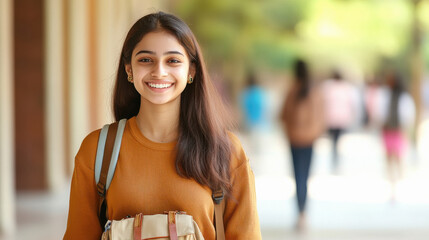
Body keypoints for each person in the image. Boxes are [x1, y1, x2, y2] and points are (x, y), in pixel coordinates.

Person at [63, 12, 261, 240]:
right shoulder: (97, 151)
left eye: (173, 60)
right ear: (129, 69)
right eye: (146, 60)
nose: (159, 71)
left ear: (191, 71)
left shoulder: (225, 152)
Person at [280, 59, 325, 231]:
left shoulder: (292, 90)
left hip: (294, 140)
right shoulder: (314, 92)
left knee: (298, 175)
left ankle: (300, 213)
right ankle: (303, 213)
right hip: (309, 140)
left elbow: (283, 114)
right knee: (305, 176)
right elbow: (321, 117)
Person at [379, 70, 415, 202]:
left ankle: (398, 182)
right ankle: (391, 182)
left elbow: (408, 115)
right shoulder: (386, 95)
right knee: (389, 157)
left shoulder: (403, 97)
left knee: (398, 157)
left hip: (398, 130)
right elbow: (381, 112)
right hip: (388, 130)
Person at [322, 70, 359, 172]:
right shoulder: (346, 88)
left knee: (334, 140)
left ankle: (335, 158)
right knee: (336, 140)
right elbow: (352, 104)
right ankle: (336, 159)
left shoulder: (328, 87)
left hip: (332, 119)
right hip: (340, 119)